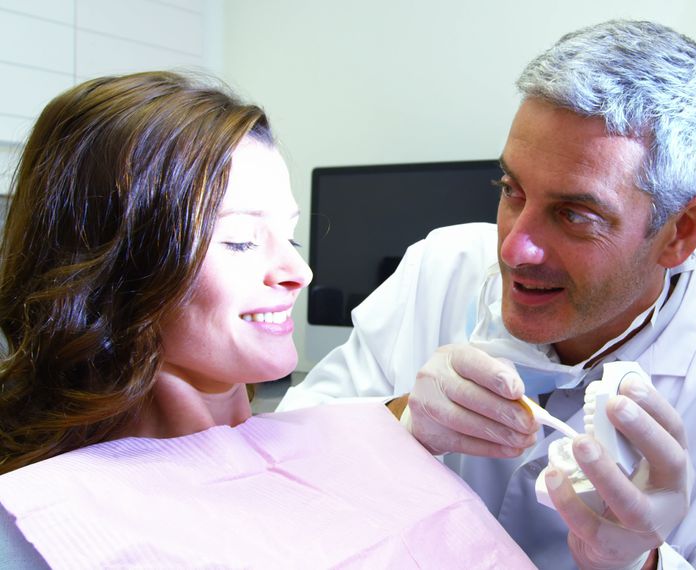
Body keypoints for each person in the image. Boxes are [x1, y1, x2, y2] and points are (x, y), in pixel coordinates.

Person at [280, 19, 696, 569]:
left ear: (681, 231)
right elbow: (280, 463)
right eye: (511, 191)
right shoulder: (438, 271)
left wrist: (640, 562)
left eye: (575, 215)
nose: (516, 250)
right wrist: (398, 422)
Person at [0, 72, 534, 568]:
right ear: (112, 264)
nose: (299, 271)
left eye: (293, 235)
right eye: (240, 241)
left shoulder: (355, 438)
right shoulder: (41, 514)